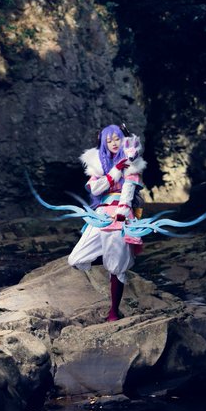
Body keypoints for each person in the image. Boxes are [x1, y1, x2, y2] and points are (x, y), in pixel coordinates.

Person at [68, 124, 146, 322]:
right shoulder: (97, 163)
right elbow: (96, 189)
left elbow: (128, 190)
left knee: (117, 268)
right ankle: (107, 258)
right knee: (76, 259)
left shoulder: (131, 162)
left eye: (117, 139)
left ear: (123, 140)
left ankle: (113, 312)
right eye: (109, 140)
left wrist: (122, 212)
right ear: (103, 143)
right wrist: (115, 170)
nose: (113, 143)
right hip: (101, 214)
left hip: (120, 214)